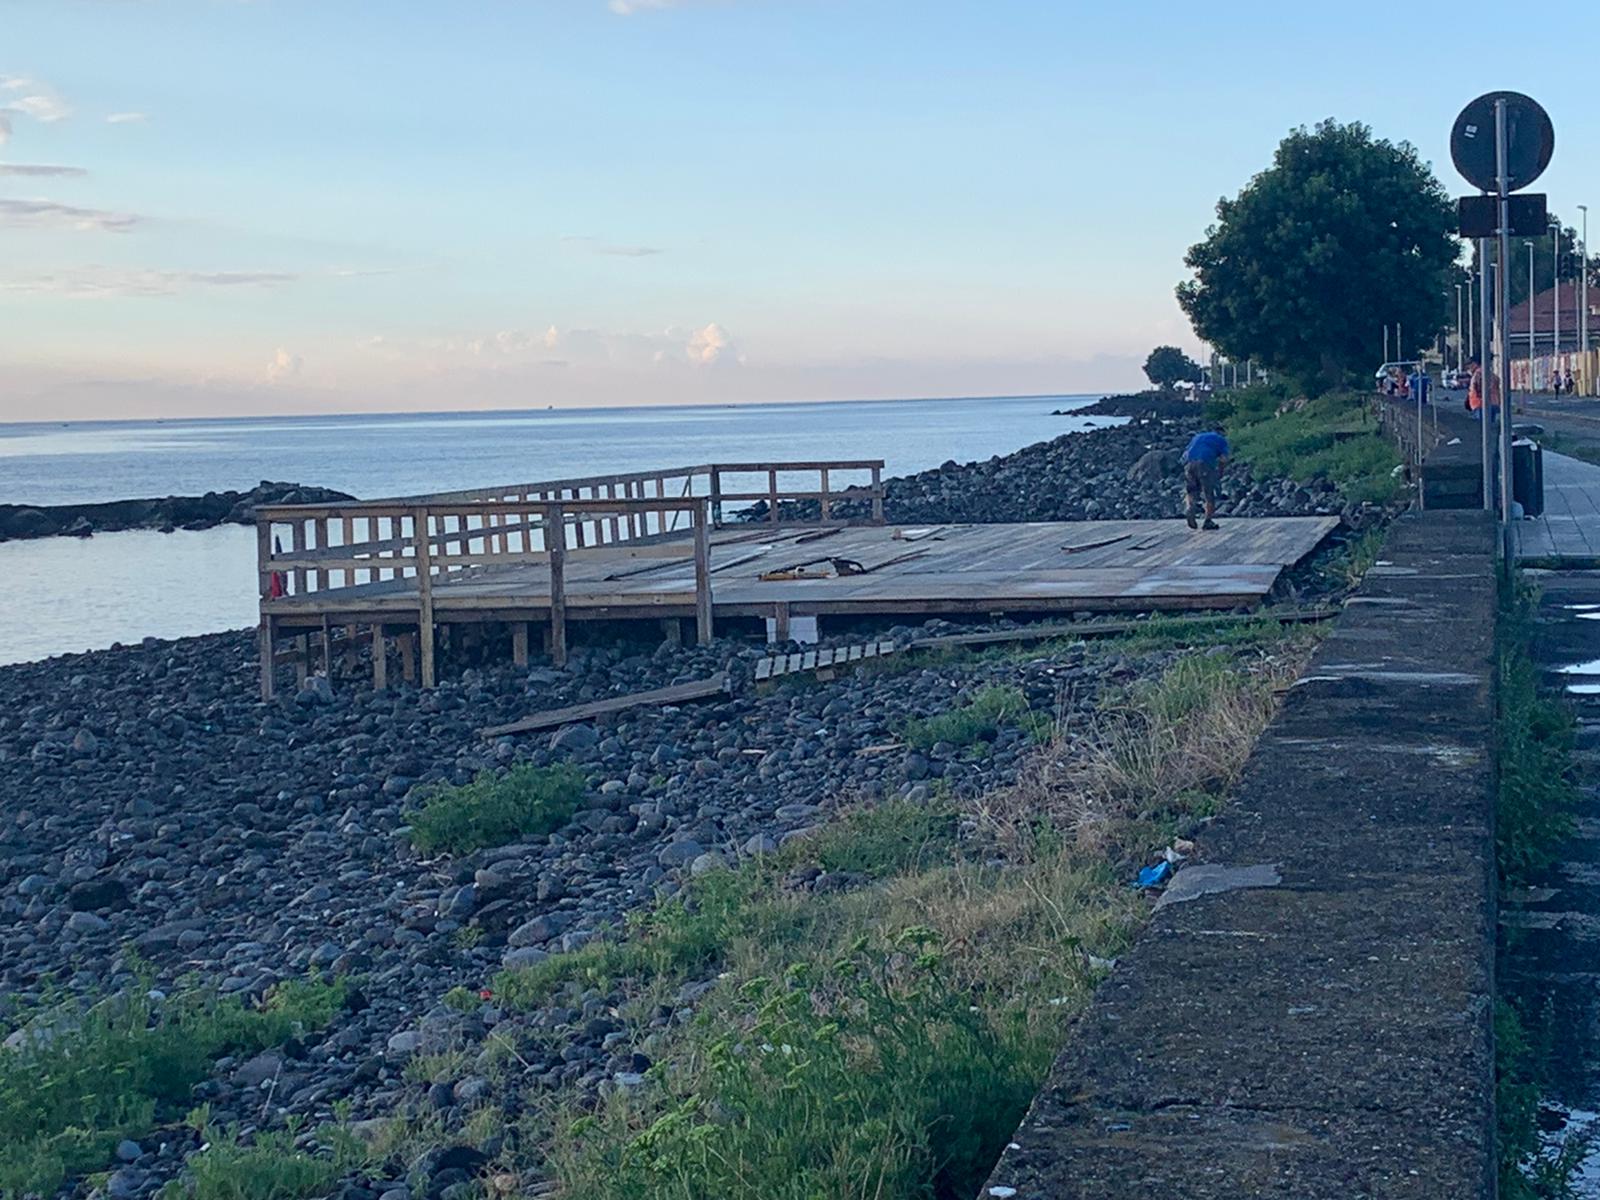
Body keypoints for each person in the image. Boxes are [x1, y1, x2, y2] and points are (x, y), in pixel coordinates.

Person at [1181, 429, 1229, 530]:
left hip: (1189, 463)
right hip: (1204, 463)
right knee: (1209, 494)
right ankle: (1208, 521)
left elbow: (1186, 453)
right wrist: (1220, 472)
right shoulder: (1221, 440)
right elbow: (1223, 459)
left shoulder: (1197, 437)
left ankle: (1190, 508)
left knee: (1191, 491)